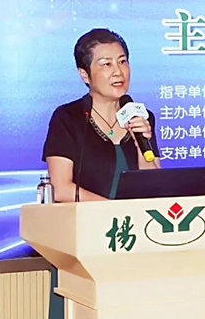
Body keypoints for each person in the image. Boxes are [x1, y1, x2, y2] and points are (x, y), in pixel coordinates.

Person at [41, 28, 161, 318]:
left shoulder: (141, 117)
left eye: (122, 61)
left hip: (136, 240)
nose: (118, 71)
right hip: (83, 244)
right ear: (85, 75)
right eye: (106, 64)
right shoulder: (68, 118)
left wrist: (141, 140)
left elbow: (154, 183)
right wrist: (114, 212)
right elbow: (62, 188)